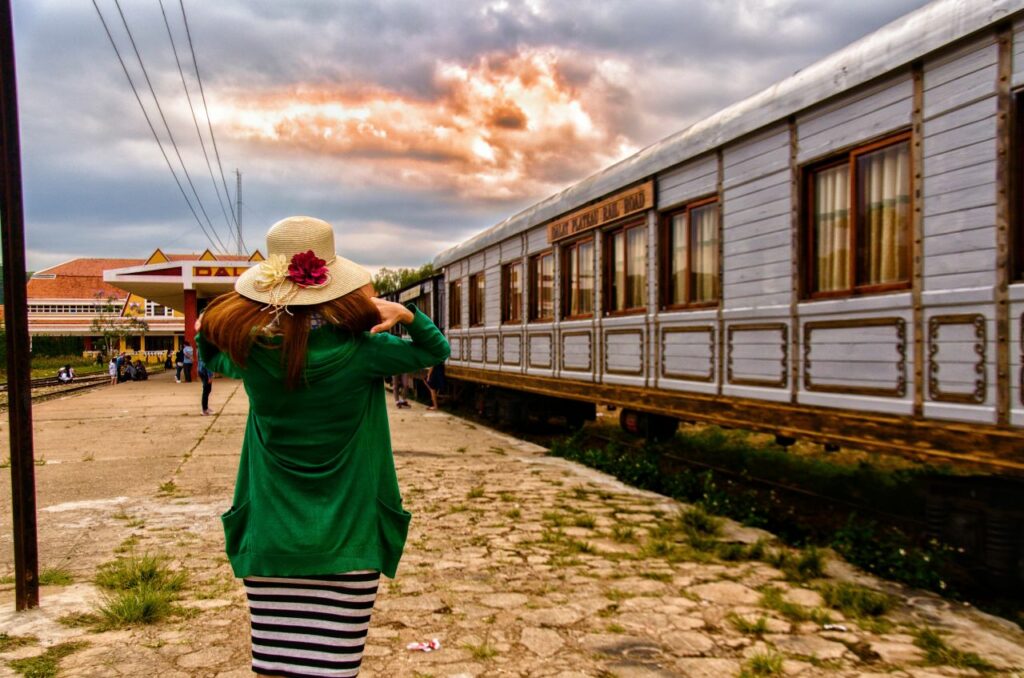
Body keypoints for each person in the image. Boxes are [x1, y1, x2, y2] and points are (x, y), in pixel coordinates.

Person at [196, 216, 449, 677]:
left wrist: (228, 311)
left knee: (275, 666)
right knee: (334, 667)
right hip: (350, 541)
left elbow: (206, 350)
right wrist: (408, 315)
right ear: (336, 286)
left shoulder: (253, 354)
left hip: (271, 538)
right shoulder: (367, 352)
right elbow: (435, 351)